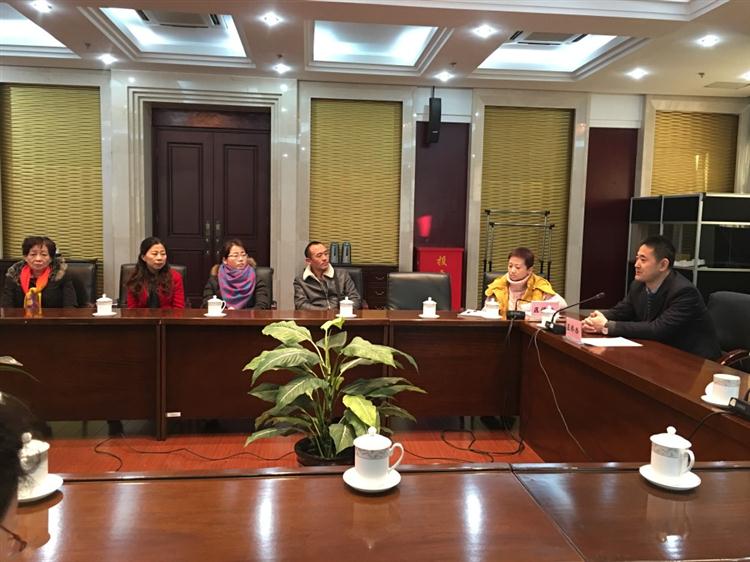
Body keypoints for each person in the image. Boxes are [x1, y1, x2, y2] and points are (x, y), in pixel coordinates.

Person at [583, 235, 721, 360]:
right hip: (660, 352)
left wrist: (606, 326)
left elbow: (658, 329)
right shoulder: (638, 285)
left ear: (663, 265)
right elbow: (622, 311)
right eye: (637, 258)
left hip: (693, 360)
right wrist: (599, 317)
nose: (636, 264)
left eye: (643, 260)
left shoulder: (684, 292)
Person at [484, 247, 565, 317]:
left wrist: (529, 307)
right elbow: (485, 311)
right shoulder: (498, 285)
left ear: (529, 270)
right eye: (510, 266)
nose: (512, 270)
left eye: (517, 267)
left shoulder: (539, 284)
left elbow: (562, 304)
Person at [1, 236, 77, 308]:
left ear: (51, 258)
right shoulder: (14, 276)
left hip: (54, 317)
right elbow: (6, 307)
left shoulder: (61, 275)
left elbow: (70, 307)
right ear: (25, 257)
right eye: (33, 254)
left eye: (44, 254)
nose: (38, 259)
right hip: (20, 317)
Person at [202, 239, 270, 309]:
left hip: (249, 315)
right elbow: (206, 304)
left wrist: (238, 313)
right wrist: (225, 312)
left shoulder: (255, 278)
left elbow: (262, 306)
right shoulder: (215, 280)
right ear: (224, 260)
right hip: (223, 315)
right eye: (235, 256)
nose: (241, 259)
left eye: (243, 255)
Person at [293, 241, 361, 310]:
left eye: (326, 254)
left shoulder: (342, 275)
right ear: (309, 261)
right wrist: (325, 313)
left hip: (341, 315)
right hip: (315, 316)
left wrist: (341, 313)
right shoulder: (300, 281)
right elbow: (301, 305)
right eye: (319, 255)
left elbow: (355, 299)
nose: (324, 258)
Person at [126, 236, 185, 309]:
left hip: (168, 316)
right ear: (143, 257)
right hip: (141, 316)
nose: (159, 258)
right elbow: (132, 309)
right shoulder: (135, 278)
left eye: (163, 254)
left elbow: (178, 308)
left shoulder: (175, 277)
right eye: (154, 254)